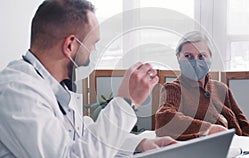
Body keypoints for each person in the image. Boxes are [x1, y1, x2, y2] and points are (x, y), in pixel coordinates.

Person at [0, 0, 177, 157]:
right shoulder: (17, 91)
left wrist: (141, 145)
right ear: (70, 45)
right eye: (93, 43)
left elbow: (83, 134)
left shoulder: (53, 85)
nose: (93, 51)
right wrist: (126, 102)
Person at [155, 31, 249, 141]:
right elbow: (164, 120)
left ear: (210, 58)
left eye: (202, 56)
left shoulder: (221, 89)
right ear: (178, 58)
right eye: (188, 56)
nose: (195, 61)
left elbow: (244, 124)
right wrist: (208, 129)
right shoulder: (173, 89)